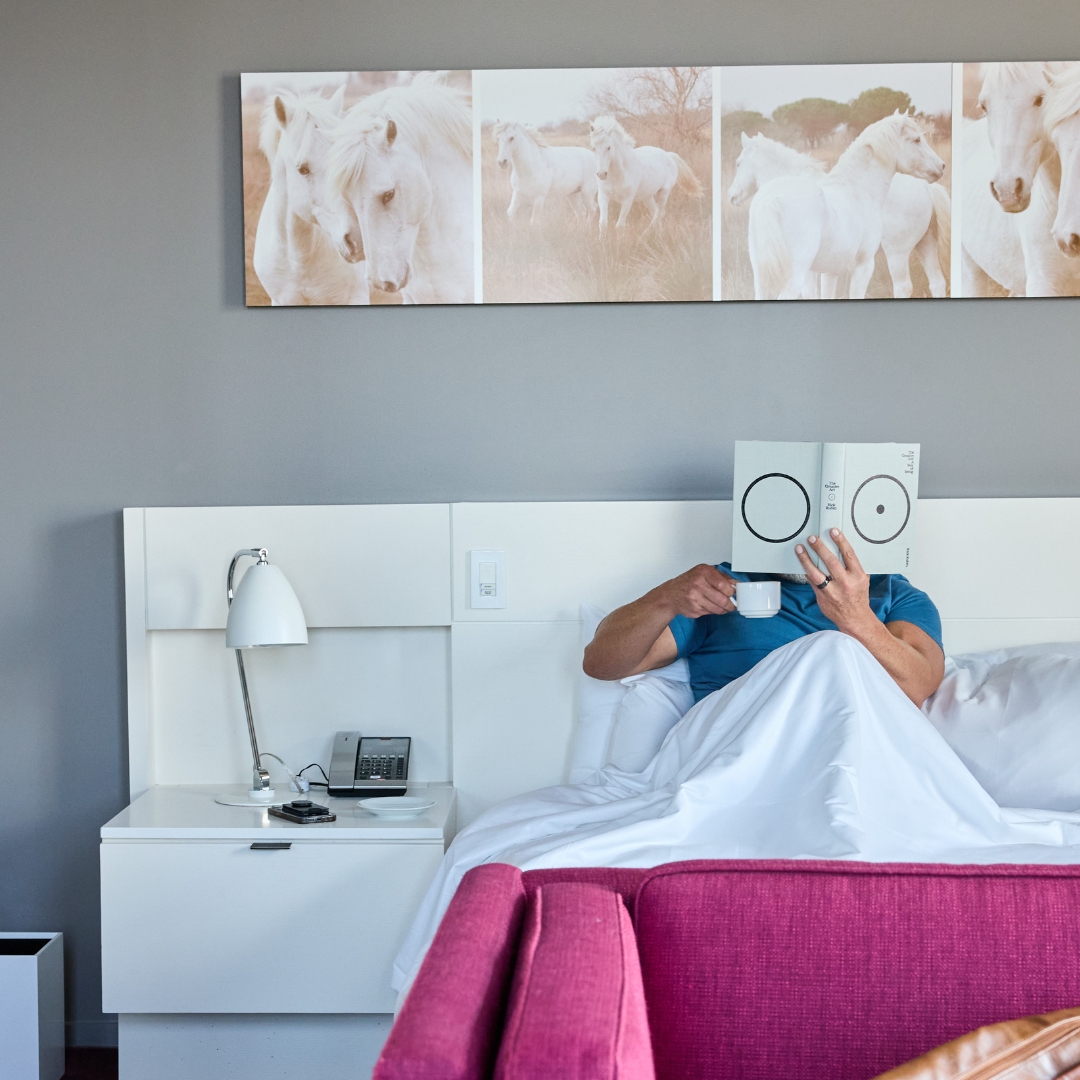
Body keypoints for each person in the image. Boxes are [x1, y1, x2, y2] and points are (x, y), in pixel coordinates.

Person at [583, 527, 944, 708]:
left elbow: (918, 685)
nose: (808, 537)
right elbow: (601, 664)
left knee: (831, 648)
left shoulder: (894, 594)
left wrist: (857, 619)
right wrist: (666, 598)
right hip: (743, 748)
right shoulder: (721, 586)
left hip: (849, 749)